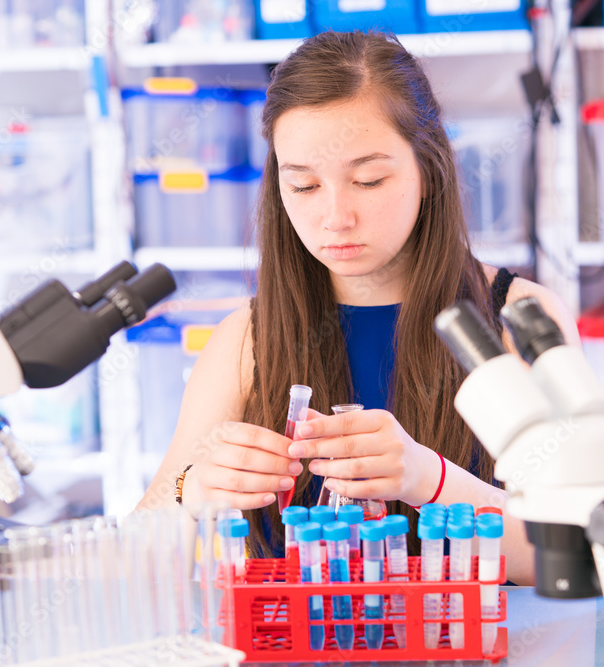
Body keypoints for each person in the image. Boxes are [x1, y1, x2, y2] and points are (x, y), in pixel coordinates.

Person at [135, 30, 579, 585]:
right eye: (304, 186)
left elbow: (580, 552)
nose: (335, 217)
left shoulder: (522, 318)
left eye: (368, 179)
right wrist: (193, 492)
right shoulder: (245, 338)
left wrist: (430, 480)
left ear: (430, 167)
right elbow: (131, 554)